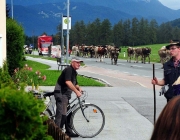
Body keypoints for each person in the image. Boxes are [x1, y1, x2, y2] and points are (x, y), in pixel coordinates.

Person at [53, 56, 83, 137]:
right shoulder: (69, 70)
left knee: (69, 113)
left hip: (66, 95)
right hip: (61, 93)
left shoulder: (74, 72)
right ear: (72, 62)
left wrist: (79, 88)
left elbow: (75, 83)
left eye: (80, 63)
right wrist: (76, 92)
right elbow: (68, 82)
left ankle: (68, 131)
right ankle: (57, 134)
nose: (79, 64)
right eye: (77, 62)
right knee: (62, 114)